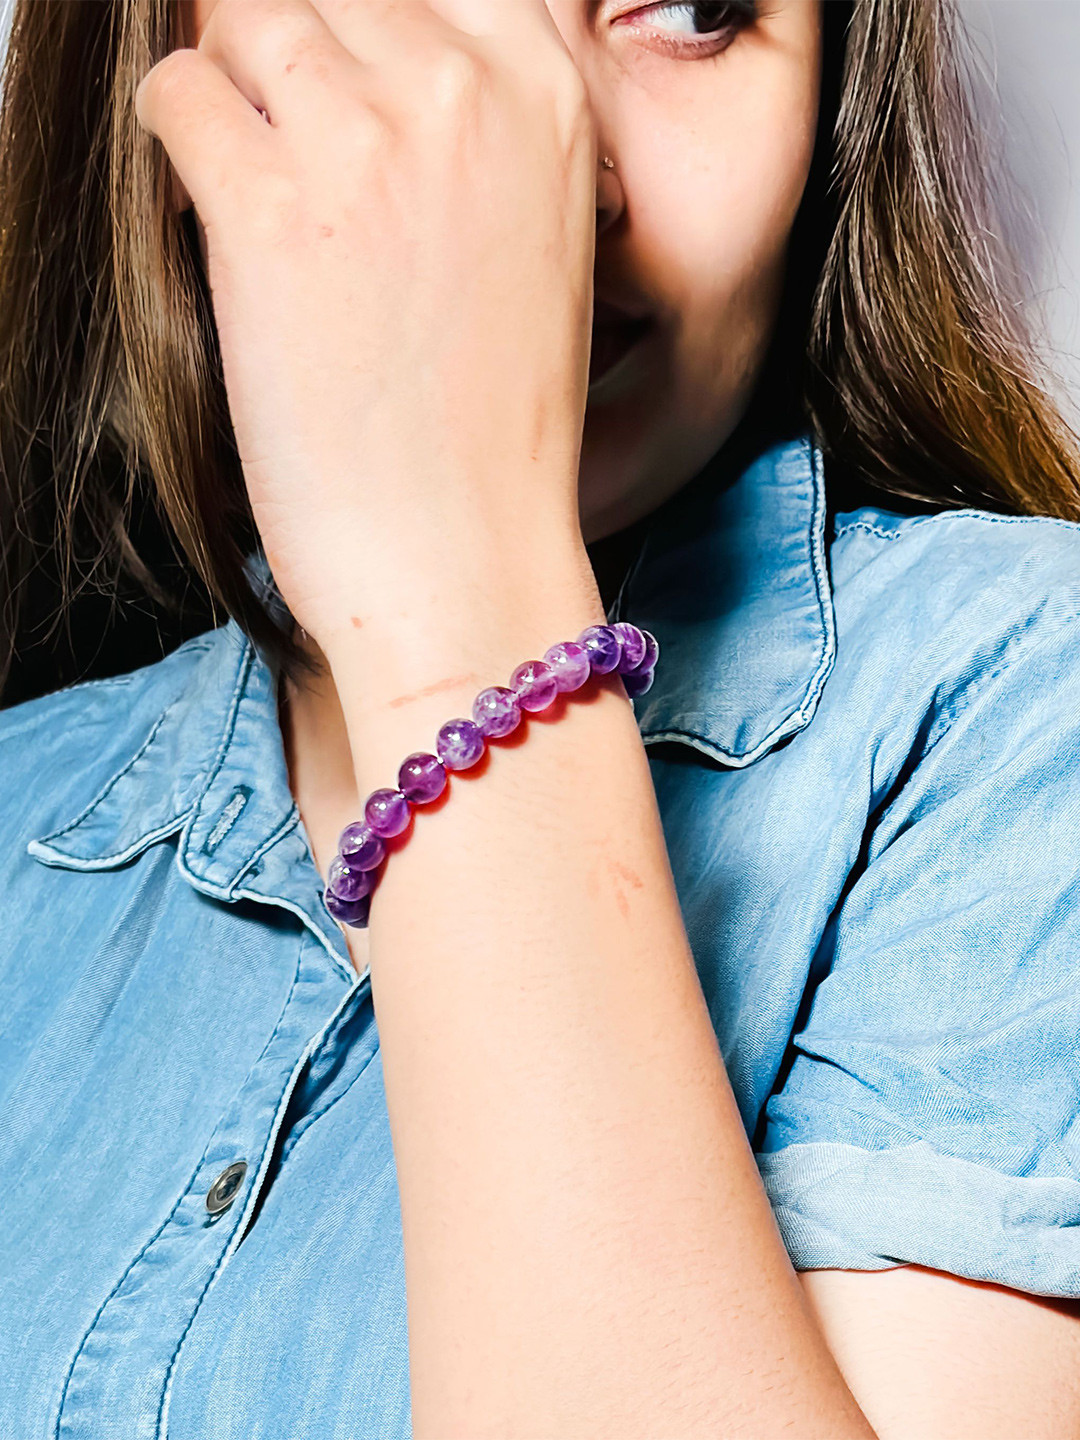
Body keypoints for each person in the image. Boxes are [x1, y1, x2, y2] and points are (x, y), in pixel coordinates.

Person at [1, 0, 1079, 1434]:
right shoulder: (27, 809)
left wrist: (455, 599)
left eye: (691, 9)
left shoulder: (1010, 702)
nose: (544, 159)